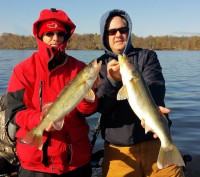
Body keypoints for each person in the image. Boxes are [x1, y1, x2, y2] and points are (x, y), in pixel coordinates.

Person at [4, 8, 99, 177]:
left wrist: (89, 94)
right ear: (40, 36)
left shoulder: (79, 68)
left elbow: (87, 112)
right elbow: (15, 113)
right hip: (36, 164)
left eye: (60, 34)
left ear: (66, 37)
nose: (55, 38)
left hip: (75, 162)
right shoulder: (22, 70)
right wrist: (39, 120)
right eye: (49, 33)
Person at [96, 9, 185, 177]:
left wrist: (154, 112)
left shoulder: (147, 56)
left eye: (123, 30)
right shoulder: (99, 66)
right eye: (112, 31)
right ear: (104, 35)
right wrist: (112, 82)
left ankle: (169, 148)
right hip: (119, 151)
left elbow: (155, 89)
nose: (118, 35)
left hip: (154, 141)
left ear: (128, 32)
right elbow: (102, 107)